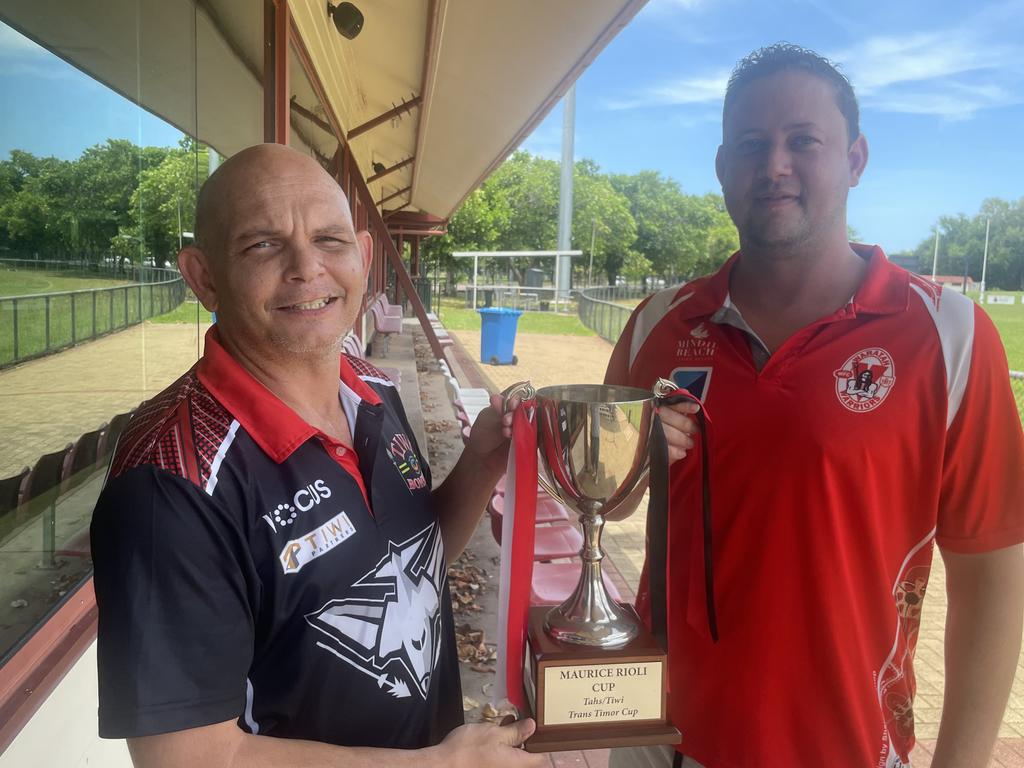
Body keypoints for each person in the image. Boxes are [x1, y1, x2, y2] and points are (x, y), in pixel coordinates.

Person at [605, 44, 1024, 768]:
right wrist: (625, 465)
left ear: (855, 160)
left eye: (804, 141)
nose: (774, 166)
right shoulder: (659, 324)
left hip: (846, 750)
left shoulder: (949, 335)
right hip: (660, 741)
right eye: (751, 144)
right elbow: (602, 502)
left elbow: (990, 576)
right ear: (722, 167)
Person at [90, 143, 545, 768]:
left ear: (362, 252)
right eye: (262, 245)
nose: (307, 267)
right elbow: (188, 758)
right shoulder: (169, 480)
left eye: (330, 240)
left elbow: (410, 559)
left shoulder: (371, 388)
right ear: (203, 276)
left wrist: (483, 462)